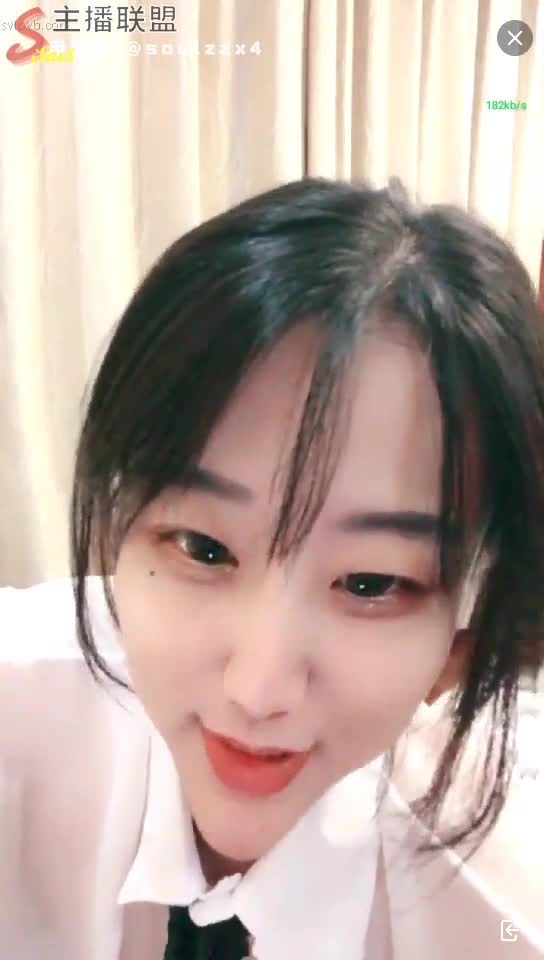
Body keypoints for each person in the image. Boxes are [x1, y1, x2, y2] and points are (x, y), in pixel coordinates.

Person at [1, 177, 543, 960]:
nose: (259, 691)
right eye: (204, 548)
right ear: (118, 524)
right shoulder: (19, 717)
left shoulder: (496, 914)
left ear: (467, 610)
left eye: (371, 584)